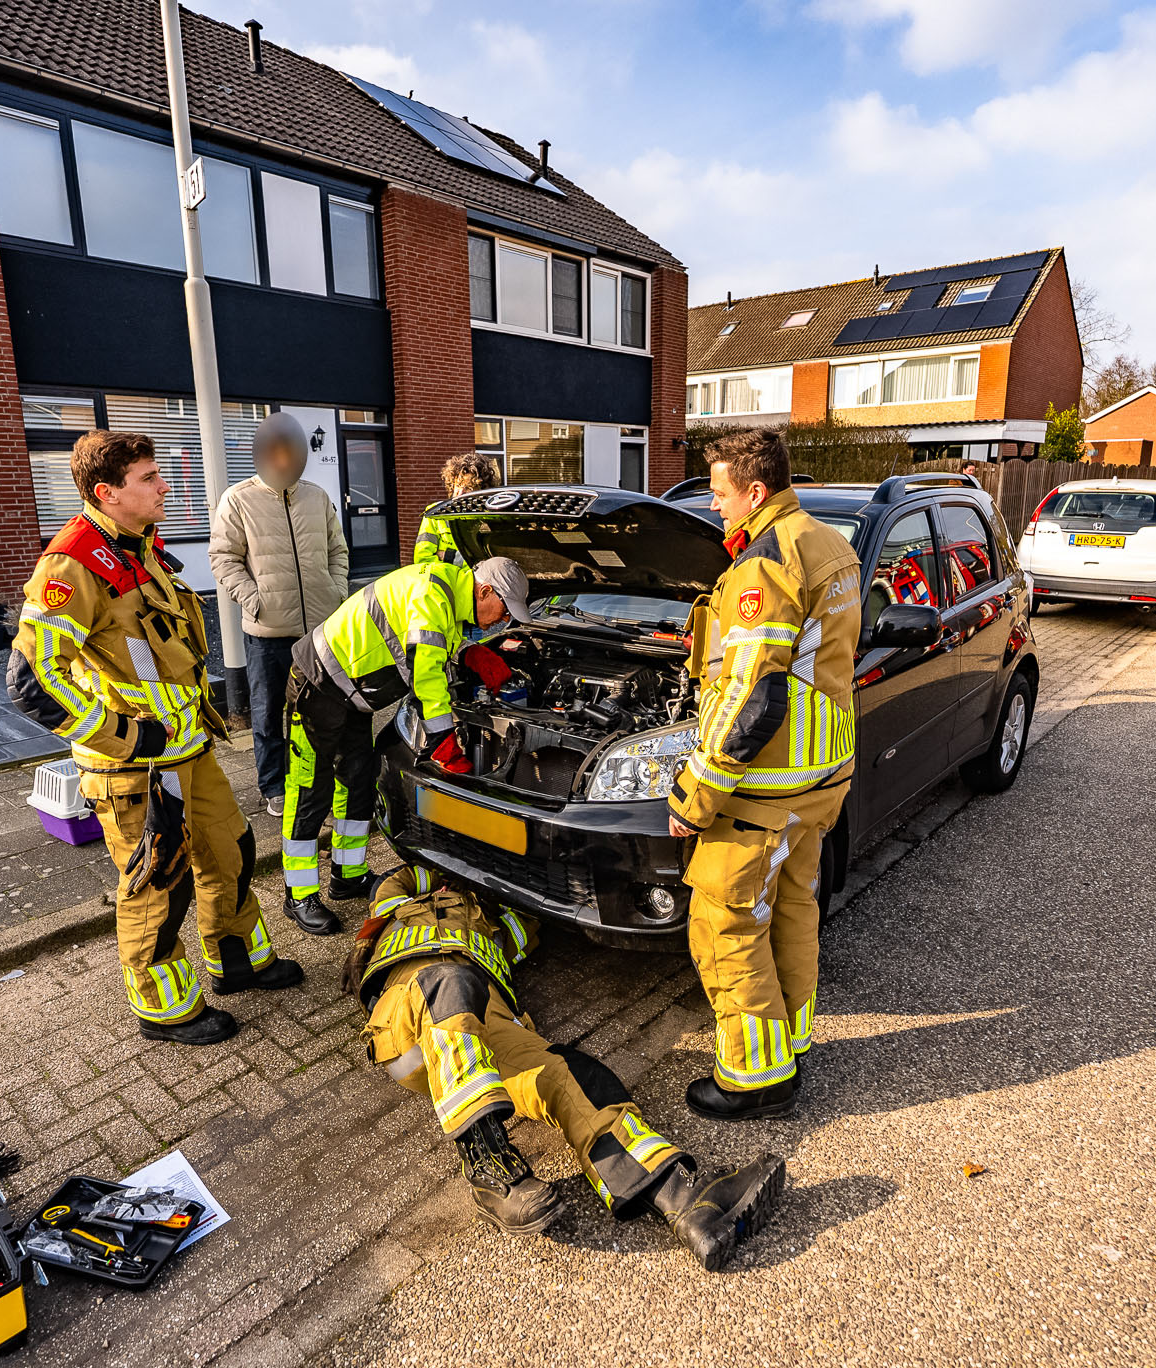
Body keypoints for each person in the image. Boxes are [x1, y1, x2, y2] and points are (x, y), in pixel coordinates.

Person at [7, 430, 303, 1047]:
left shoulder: (140, 545)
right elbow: (33, 680)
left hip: (188, 751)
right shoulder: (71, 563)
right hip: (135, 769)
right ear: (107, 493)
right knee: (157, 885)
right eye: (149, 478)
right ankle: (164, 1010)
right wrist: (125, 736)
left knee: (232, 852)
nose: (165, 486)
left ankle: (235, 962)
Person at [346, 863, 788, 1270]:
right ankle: (488, 1167)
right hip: (408, 1011)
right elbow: (405, 876)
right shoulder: (400, 903)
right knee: (450, 983)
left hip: (487, 1013)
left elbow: (537, 912)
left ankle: (685, 1198)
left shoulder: (500, 917)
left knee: (572, 1075)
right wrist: (458, 870)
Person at [667, 427, 862, 1119]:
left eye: (720, 493)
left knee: (724, 920)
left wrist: (696, 791)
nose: (714, 505)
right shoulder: (831, 543)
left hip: (763, 786)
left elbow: (753, 690)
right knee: (793, 907)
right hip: (821, 777)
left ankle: (755, 1076)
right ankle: (792, 1039)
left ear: (755, 491)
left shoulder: (765, 564)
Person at [279, 555, 532, 934]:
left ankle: (348, 875)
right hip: (317, 685)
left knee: (358, 781)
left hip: (351, 695)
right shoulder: (432, 593)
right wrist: (444, 740)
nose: (503, 620)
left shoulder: (447, 592)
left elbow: (433, 639)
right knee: (311, 789)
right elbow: (426, 676)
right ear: (485, 591)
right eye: (503, 609)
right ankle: (298, 895)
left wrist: (469, 652)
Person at [208, 413, 350, 820]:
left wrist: (337, 591)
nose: (285, 458)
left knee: (324, 708)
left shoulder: (317, 497)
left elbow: (337, 551)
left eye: (292, 450)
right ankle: (274, 785)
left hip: (321, 627)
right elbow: (223, 557)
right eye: (277, 450)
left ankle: (320, 777)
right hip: (268, 631)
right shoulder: (238, 499)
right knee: (268, 712)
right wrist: (254, 599)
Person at [413, 451, 502, 566]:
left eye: (469, 487)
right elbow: (422, 560)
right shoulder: (435, 514)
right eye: (458, 485)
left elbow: (490, 562)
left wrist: (448, 556)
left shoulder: (490, 517)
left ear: (482, 490)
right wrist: (464, 561)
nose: (460, 493)